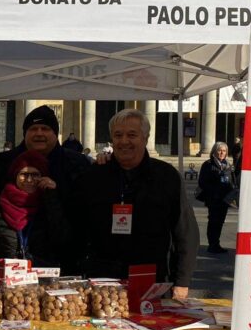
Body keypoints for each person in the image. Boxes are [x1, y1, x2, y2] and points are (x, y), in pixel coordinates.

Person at [72, 109, 198, 299]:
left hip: (152, 281)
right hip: (102, 283)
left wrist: (182, 281)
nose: (124, 141)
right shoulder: (93, 176)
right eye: (118, 135)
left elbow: (185, 232)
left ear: (145, 138)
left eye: (132, 135)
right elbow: (77, 230)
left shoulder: (166, 176)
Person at [0, 150, 68, 267]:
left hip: (42, 274)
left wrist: (51, 197)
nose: (29, 180)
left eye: (35, 175)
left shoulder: (47, 203)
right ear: (15, 176)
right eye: (24, 174)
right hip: (7, 273)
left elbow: (62, 238)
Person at [198, 142, 235, 254]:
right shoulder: (208, 164)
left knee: (220, 222)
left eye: (224, 151)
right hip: (213, 199)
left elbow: (233, 181)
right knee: (213, 221)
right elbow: (202, 182)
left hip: (225, 199)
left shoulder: (228, 165)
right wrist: (215, 188)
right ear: (214, 151)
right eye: (219, 150)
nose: (222, 153)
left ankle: (216, 243)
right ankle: (212, 245)